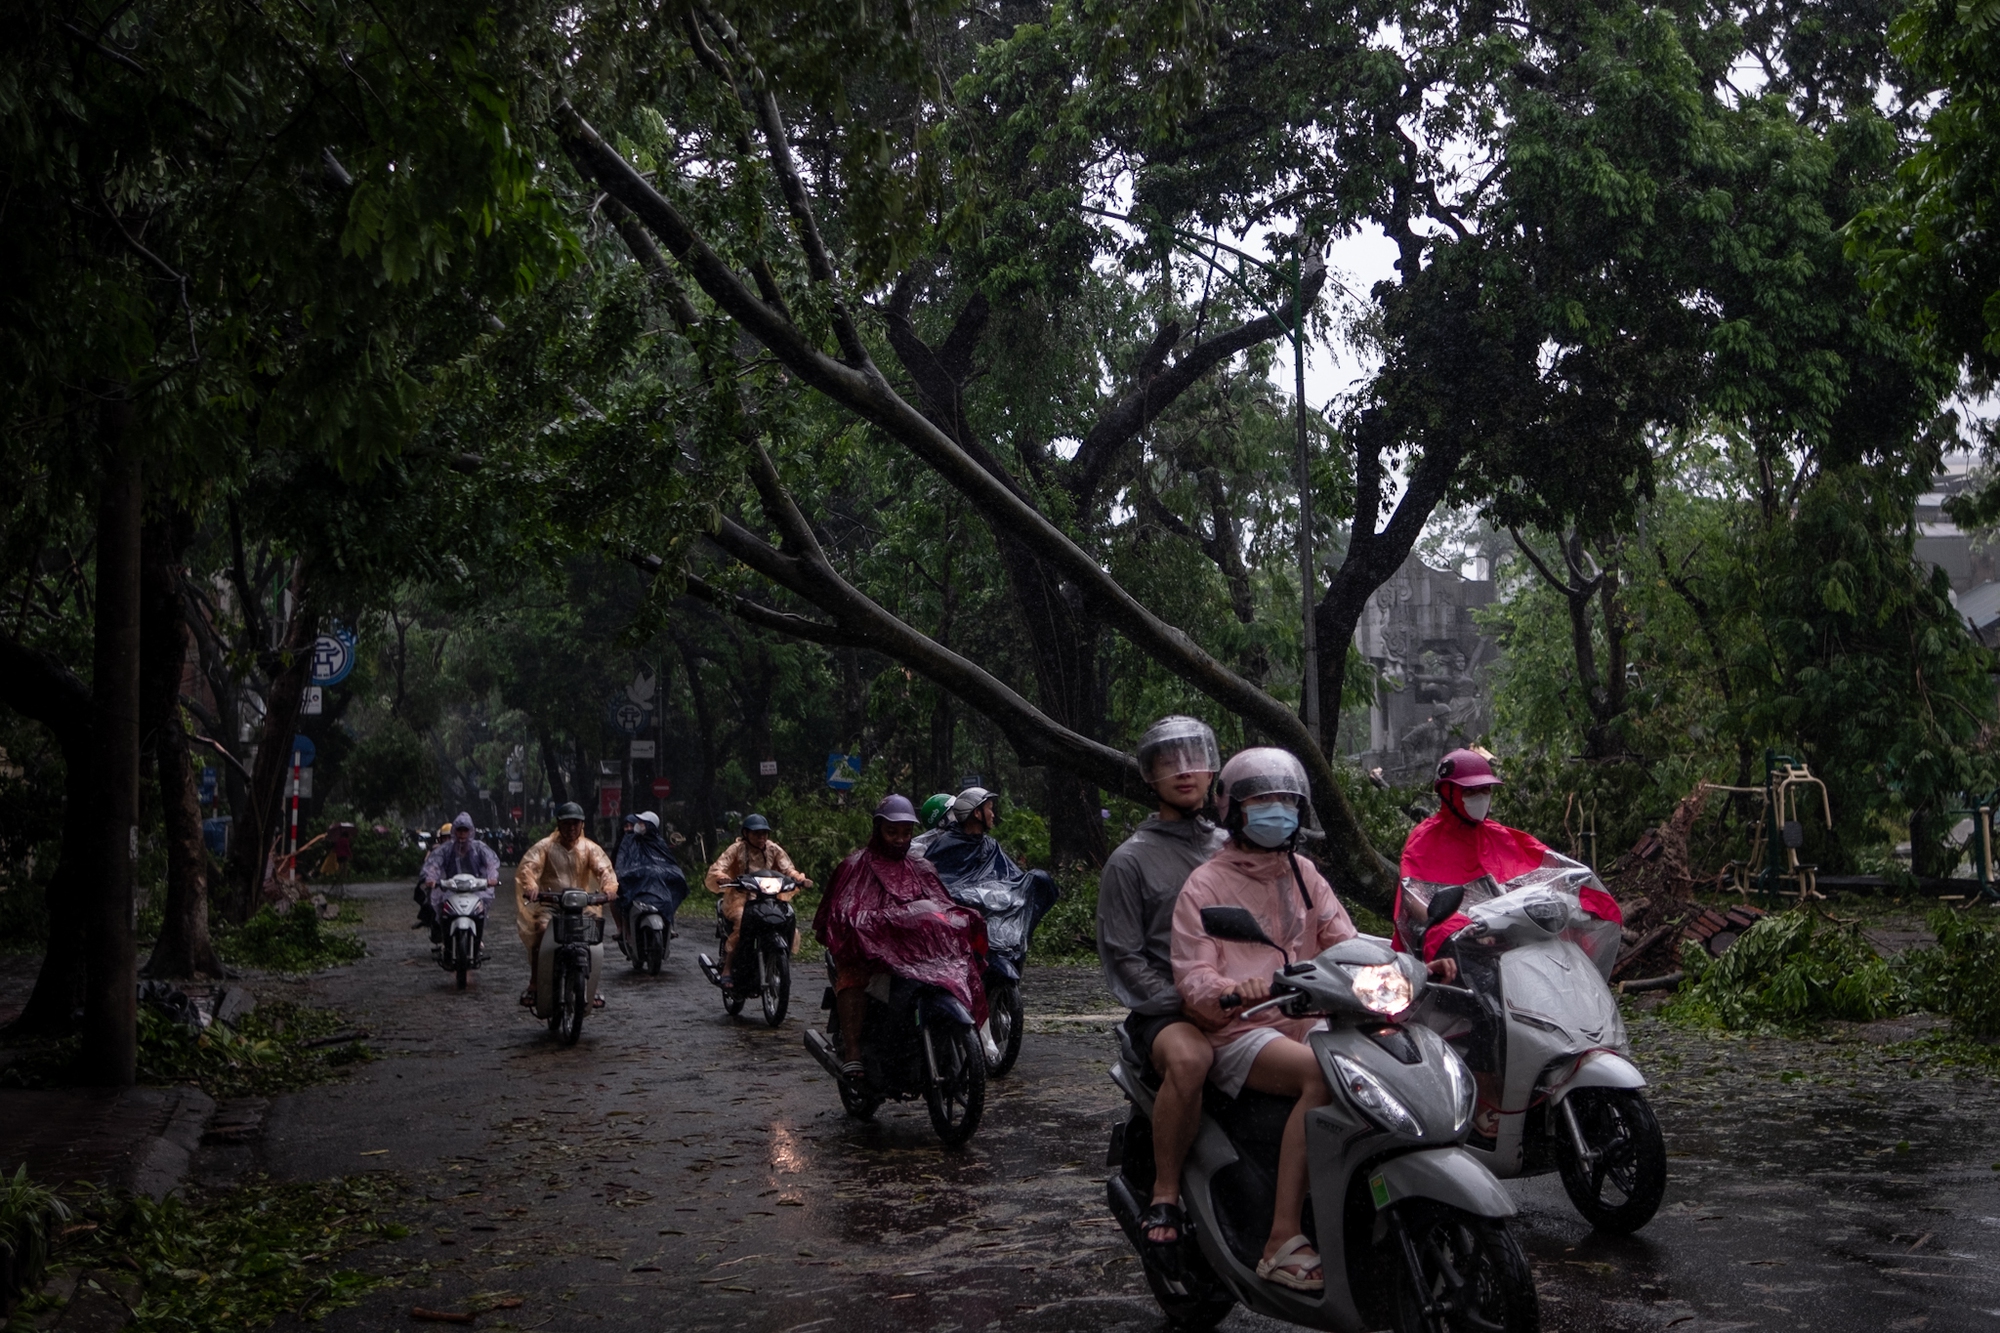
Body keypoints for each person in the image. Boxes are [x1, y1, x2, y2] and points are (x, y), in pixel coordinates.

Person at [1171, 746, 1450, 1294]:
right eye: (1263, 801)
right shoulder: (1205, 885)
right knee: (1322, 1078)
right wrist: (1232, 988)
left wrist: (1409, 965)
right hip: (1244, 1028)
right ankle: (1280, 1240)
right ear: (1233, 810)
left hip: (1310, 1017)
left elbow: (1345, 943)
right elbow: (1194, 974)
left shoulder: (1304, 873)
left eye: (1287, 801)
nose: (1278, 811)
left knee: (1391, 1057)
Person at [1395, 747, 1623, 1133]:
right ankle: (1489, 1094)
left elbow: (1546, 871)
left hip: (1504, 942)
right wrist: (1461, 923)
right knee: (1492, 1002)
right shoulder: (1424, 840)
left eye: (1484, 791)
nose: (1479, 799)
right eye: (1469, 792)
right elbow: (1414, 897)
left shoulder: (1500, 836)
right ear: (1446, 794)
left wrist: (1577, 898)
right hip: (1452, 945)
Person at [1095, 716, 1226, 1266]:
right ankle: (1167, 1193)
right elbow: (1124, 958)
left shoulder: (1233, 845)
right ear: (1149, 775)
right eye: (1168, 762)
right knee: (1191, 1060)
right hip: (1166, 1010)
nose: (1183, 771)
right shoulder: (1130, 859)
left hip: (1243, 999)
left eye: (1193, 758)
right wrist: (1187, 1002)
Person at [812, 794, 988, 1084]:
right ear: (878, 829)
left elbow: (941, 906)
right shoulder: (855, 866)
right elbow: (841, 916)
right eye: (892, 832)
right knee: (853, 976)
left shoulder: (921, 868)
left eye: (906, 833)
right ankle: (854, 1050)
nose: (899, 839)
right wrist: (875, 927)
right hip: (871, 956)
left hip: (916, 956)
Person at [514, 801, 619, 1009]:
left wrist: (609, 888)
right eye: (567, 823)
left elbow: (604, 869)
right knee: (542, 931)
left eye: (576, 824)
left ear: (582, 825)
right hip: (550, 905)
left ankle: (591, 986)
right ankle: (535, 984)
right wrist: (532, 886)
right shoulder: (545, 847)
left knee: (592, 938)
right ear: (559, 824)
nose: (571, 828)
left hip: (582, 906)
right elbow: (529, 867)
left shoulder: (589, 848)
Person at [704, 813, 813, 986]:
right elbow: (719, 866)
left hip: (769, 897)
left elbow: (788, 868)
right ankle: (728, 966)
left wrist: (798, 879)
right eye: (756, 834)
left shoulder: (773, 849)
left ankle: (778, 959)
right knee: (742, 920)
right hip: (740, 898)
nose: (761, 837)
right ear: (746, 834)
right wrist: (722, 877)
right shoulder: (737, 848)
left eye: (764, 833)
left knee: (786, 917)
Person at [417, 813, 501, 941]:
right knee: (440, 907)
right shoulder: (446, 849)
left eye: (465, 830)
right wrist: (431, 878)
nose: (462, 833)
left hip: (476, 889)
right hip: (451, 888)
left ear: (470, 831)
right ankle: (444, 936)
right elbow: (434, 863)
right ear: (454, 831)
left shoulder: (478, 848)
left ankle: (478, 937)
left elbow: (491, 863)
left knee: (481, 909)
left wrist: (492, 878)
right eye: (459, 830)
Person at [613, 811, 689, 939]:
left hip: (658, 876)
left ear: (650, 826)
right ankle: (626, 930)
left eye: (642, 823)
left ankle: (668, 921)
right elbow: (622, 860)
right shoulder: (630, 840)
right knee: (617, 895)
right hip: (635, 875)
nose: (638, 825)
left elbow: (669, 862)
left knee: (677, 879)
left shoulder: (659, 842)